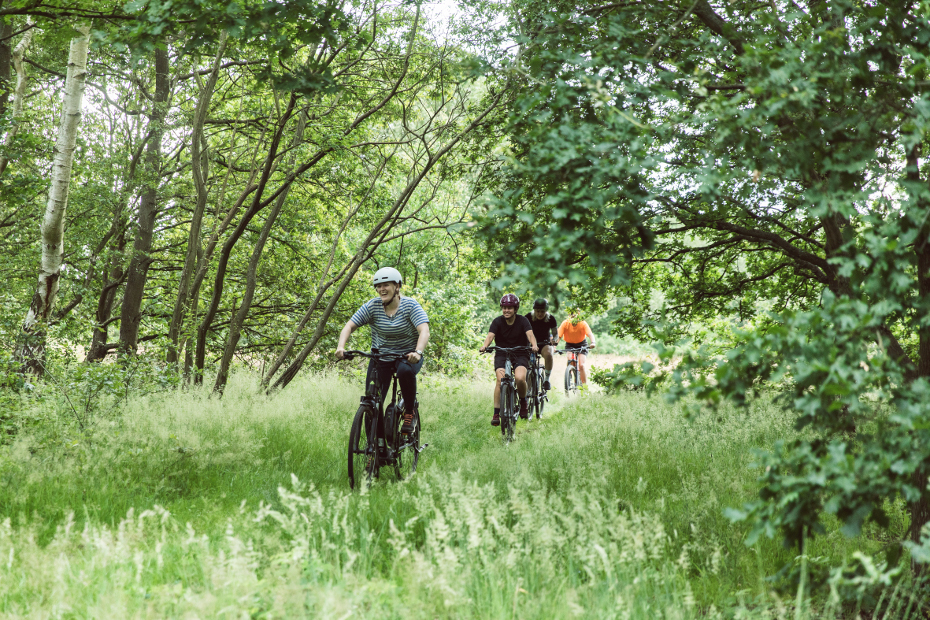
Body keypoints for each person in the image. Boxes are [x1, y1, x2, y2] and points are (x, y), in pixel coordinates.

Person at [336, 267, 429, 434]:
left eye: (386, 285)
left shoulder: (410, 306)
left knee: (404, 371)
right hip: (381, 356)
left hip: (407, 355)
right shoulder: (373, 306)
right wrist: (340, 347)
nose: (381, 289)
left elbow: (424, 330)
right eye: (378, 286)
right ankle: (376, 449)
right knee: (372, 401)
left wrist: (418, 352)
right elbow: (349, 326)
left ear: (397, 286)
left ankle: (409, 411)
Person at [479, 293, 539, 426]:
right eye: (504, 308)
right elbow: (490, 336)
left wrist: (534, 345)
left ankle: (523, 402)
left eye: (510, 308)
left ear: (515, 309)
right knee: (500, 381)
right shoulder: (497, 321)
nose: (506, 310)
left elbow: (530, 335)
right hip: (502, 353)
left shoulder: (523, 321)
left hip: (520, 353)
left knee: (519, 378)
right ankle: (496, 413)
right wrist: (484, 346)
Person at [525, 298, 558, 391]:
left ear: (546, 311)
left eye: (542, 311)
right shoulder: (527, 317)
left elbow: (555, 334)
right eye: (537, 311)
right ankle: (528, 390)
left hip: (544, 343)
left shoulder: (551, 318)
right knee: (528, 366)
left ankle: (546, 380)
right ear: (534, 310)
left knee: (548, 354)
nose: (539, 313)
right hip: (530, 344)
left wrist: (554, 340)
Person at [557, 310, 596, 387]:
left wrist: (593, 342)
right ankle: (570, 375)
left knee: (581, 365)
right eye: (571, 314)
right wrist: (553, 347)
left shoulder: (582, 323)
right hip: (570, 344)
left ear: (578, 314)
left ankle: (584, 387)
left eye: (575, 314)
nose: (573, 316)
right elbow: (558, 337)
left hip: (582, 344)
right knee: (570, 360)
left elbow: (590, 334)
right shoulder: (565, 323)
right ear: (569, 315)